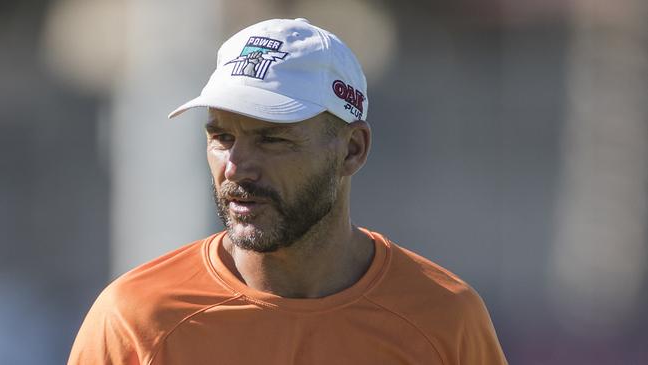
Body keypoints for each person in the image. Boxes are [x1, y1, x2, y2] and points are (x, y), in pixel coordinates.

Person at [68, 18, 507, 364]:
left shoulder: (444, 319)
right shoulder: (136, 319)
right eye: (221, 137)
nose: (236, 166)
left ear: (352, 150)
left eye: (272, 138)